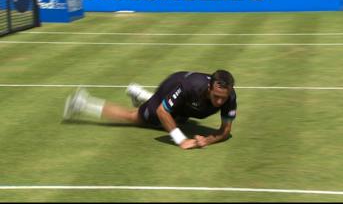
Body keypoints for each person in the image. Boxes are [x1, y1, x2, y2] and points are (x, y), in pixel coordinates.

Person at [63, 70, 237, 150]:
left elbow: (225, 131)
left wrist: (206, 141)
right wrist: (181, 140)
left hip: (184, 104)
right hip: (172, 87)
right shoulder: (188, 88)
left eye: (224, 97)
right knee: (135, 117)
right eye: (216, 96)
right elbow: (163, 112)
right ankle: (82, 103)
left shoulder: (229, 96)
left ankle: (140, 94)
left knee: (181, 120)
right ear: (209, 88)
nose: (220, 101)